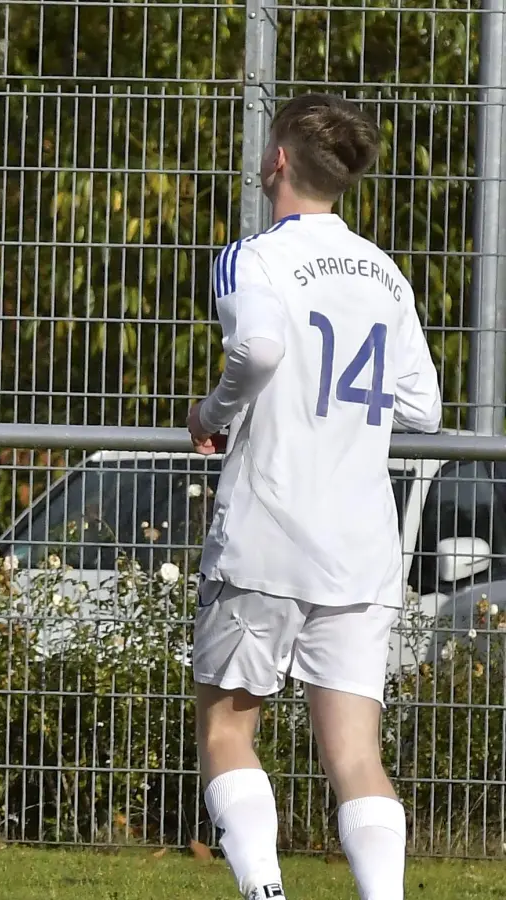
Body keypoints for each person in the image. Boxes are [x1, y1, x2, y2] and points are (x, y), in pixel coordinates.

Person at [187, 93, 442, 900]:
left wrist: (211, 414)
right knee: (356, 755)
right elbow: (424, 407)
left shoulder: (253, 257)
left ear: (277, 161)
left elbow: (259, 348)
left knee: (228, 728)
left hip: (268, 530)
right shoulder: (385, 273)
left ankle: (265, 892)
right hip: (361, 543)